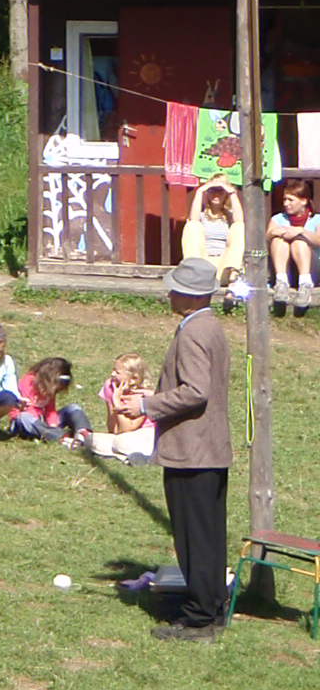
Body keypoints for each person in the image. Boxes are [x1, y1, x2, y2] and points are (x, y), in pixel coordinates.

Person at [145, 257, 234, 638]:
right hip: (210, 449)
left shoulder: (193, 332)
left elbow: (196, 391)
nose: (169, 294)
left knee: (193, 536)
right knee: (209, 534)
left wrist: (147, 404)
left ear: (192, 296)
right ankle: (210, 604)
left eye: (176, 290)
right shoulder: (212, 326)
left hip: (191, 450)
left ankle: (199, 617)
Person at [92, 352, 158, 464]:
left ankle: (144, 457)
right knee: (92, 440)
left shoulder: (142, 394)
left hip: (146, 433)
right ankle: (127, 457)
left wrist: (117, 403)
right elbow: (113, 429)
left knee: (120, 442)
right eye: (113, 370)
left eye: (117, 372)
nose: (112, 374)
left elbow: (127, 428)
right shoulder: (110, 386)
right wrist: (113, 399)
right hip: (124, 436)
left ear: (133, 379)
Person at [15, 356, 93, 447]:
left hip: (44, 422)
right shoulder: (28, 381)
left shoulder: (50, 388)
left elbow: (51, 409)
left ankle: (83, 433)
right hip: (28, 422)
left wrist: (53, 423)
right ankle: (62, 437)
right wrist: (44, 424)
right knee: (24, 417)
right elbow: (28, 409)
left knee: (73, 408)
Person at [182, 182, 247, 290]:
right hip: (202, 266)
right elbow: (193, 219)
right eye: (212, 191)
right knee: (192, 225)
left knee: (239, 226)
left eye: (220, 191)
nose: (216, 195)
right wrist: (200, 191)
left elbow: (239, 220)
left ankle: (234, 276)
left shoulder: (230, 216)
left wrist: (232, 193)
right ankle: (193, 269)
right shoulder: (201, 216)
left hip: (224, 266)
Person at [267, 181, 316, 312]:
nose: (285, 204)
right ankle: (281, 283)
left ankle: (305, 285)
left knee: (299, 243)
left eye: (290, 200)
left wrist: (301, 231)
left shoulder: (317, 219)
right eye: (284, 199)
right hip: (287, 267)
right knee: (278, 240)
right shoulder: (278, 219)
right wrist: (276, 232)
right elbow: (268, 235)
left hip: (312, 268)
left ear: (304, 201)